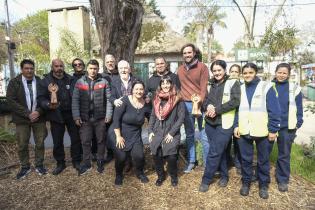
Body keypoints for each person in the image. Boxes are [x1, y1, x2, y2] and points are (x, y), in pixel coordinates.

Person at [234, 63, 281, 199]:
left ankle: (263, 185)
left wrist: (273, 130)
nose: (248, 75)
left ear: (256, 73)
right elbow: (237, 110)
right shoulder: (240, 88)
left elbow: (275, 110)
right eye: (245, 73)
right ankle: (246, 183)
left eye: (251, 72)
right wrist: (236, 125)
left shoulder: (266, 87)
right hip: (244, 130)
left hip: (263, 131)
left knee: (263, 160)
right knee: (246, 160)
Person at [199, 60, 240, 192]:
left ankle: (206, 180)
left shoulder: (233, 82)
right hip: (211, 123)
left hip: (225, 123)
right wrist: (208, 106)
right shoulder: (210, 84)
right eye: (214, 70)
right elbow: (204, 101)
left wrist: (217, 109)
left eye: (219, 70)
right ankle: (224, 175)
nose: (217, 73)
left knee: (215, 151)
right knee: (220, 150)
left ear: (224, 70)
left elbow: (235, 101)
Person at [37, 59, 81, 175]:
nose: (59, 68)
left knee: (76, 139)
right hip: (55, 114)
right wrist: (47, 104)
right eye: (56, 66)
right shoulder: (45, 81)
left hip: (71, 114)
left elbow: (78, 96)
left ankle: (76, 161)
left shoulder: (72, 79)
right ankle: (60, 163)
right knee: (57, 140)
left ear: (64, 67)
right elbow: (40, 98)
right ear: (52, 67)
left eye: (61, 66)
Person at [7, 59, 48, 179]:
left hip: (39, 118)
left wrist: (38, 112)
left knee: (40, 142)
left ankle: (39, 164)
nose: (29, 70)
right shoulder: (14, 83)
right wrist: (27, 113)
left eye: (31, 68)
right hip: (22, 119)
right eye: (26, 68)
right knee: (22, 144)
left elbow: (46, 99)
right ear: (22, 69)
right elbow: (11, 101)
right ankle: (25, 166)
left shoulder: (40, 81)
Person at [72, 59, 113, 175]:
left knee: (101, 140)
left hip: (100, 118)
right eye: (90, 68)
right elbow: (75, 100)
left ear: (98, 69)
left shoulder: (104, 82)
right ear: (87, 69)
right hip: (85, 119)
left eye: (95, 68)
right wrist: (76, 116)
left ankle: (100, 160)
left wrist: (109, 115)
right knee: (85, 141)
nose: (93, 71)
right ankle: (87, 163)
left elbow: (109, 100)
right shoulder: (80, 82)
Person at [269, 63, 303, 192]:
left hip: (287, 127)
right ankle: (262, 176)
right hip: (270, 126)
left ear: (288, 74)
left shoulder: (294, 88)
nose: (281, 75)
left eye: (284, 73)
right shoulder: (268, 86)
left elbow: (299, 107)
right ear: (275, 72)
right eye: (279, 72)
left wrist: (298, 123)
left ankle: (282, 179)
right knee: (265, 152)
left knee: (284, 154)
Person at [177, 43, 209, 173]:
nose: (187, 55)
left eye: (189, 52)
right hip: (185, 105)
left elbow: (204, 88)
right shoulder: (180, 69)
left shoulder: (202, 67)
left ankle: (206, 164)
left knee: (204, 135)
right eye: (184, 53)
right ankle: (191, 161)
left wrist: (199, 102)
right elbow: (178, 87)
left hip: (201, 104)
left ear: (194, 53)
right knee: (190, 134)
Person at [148, 76, 185, 187]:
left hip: (171, 131)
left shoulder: (178, 98)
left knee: (172, 157)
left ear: (171, 84)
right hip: (157, 131)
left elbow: (181, 118)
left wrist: (171, 133)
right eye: (163, 84)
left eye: (167, 83)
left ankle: (173, 176)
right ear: (160, 86)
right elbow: (153, 116)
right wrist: (150, 130)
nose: (165, 86)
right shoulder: (157, 99)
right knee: (156, 154)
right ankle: (160, 176)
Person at [112, 80, 151, 186]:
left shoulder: (146, 104)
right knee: (121, 157)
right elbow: (116, 119)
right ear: (132, 90)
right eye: (136, 89)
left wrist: (151, 132)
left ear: (144, 91)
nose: (139, 91)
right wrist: (118, 136)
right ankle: (119, 175)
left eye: (141, 89)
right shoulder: (124, 101)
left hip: (135, 134)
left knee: (139, 156)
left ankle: (140, 173)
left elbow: (151, 119)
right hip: (121, 132)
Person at [226, 64, 242, 173]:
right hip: (227, 117)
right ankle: (227, 162)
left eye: (236, 72)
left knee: (238, 142)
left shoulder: (243, 85)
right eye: (232, 71)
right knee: (226, 142)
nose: (234, 73)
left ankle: (238, 164)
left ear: (239, 74)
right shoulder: (225, 84)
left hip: (239, 116)